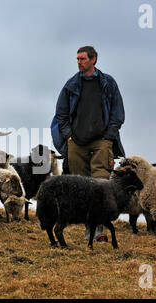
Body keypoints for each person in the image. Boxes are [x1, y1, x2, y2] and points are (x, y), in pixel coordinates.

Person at [54, 46, 125, 241]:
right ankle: (89, 228)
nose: (79, 62)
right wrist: (68, 135)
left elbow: (118, 112)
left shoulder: (107, 83)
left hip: (101, 141)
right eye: (77, 59)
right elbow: (61, 113)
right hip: (77, 142)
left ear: (93, 60)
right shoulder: (71, 85)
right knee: (81, 185)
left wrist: (109, 136)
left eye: (83, 59)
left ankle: (97, 231)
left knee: (101, 183)